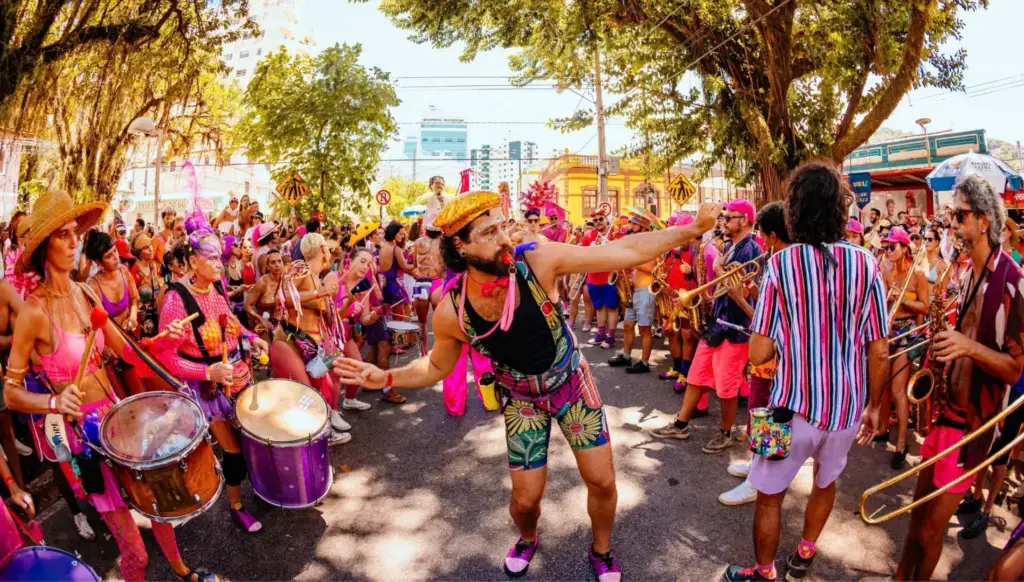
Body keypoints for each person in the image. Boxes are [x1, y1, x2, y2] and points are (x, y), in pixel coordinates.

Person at [332, 191, 721, 581]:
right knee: (525, 500)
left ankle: (601, 549)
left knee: (602, 481)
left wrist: (693, 229)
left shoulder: (537, 260)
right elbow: (436, 366)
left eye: (502, 225)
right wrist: (386, 377)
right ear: (459, 246)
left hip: (571, 382)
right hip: (522, 400)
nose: (503, 237)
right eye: (488, 231)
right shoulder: (451, 308)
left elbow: (625, 249)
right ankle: (528, 536)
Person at [5, 190, 214, 581]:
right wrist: (53, 402)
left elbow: (129, 351)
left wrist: (165, 341)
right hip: (87, 441)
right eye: (61, 236)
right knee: (135, 552)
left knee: (159, 505)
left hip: (122, 423)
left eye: (75, 233)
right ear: (43, 248)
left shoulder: (85, 293)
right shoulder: (34, 311)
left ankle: (183, 572)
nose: (73, 243)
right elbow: (10, 392)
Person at [722, 162, 889, 582]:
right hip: (846, 409)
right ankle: (805, 551)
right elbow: (879, 349)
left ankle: (764, 572)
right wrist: (875, 406)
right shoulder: (866, 263)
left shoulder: (780, 264)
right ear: (839, 208)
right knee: (826, 480)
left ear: (794, 210)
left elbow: (760, 349)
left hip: (786, 406)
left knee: (768, 496)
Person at [894, 175, 1024, 581]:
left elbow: (1017, 367)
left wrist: (967, 348)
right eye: (951, 215)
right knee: (915, 514)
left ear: (984, 221)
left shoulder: (1013, 283)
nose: (951, 224)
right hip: (943, 412)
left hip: (971, 427)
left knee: (933, 529)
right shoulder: (968, 273)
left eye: (960, 215)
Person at [156, 226, 269, 535]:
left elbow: (232, 325)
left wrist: (253, 337)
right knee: (232, 451)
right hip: (206, 390)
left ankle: (260, 487)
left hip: (236, 375)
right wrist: (207, 373)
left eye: (220, 257)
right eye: (212, 258)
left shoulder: (217, 289)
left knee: (251, 439)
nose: (220, 264)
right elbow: (166, 359)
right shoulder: (176, 300)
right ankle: (236, 506)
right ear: (193, 262)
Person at [650, 199, 761, 454]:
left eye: (729, 216)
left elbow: (749, 289)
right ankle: (681, 424)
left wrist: (720, 268)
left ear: (744, 220)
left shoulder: (751, 250)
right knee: (696, 377)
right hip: (718, 322)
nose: (724, 220)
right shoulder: (731, 246)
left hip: (735, 328)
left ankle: (726, 433)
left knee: (727, 387)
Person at [718, 201, 790, 508]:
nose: (758, 237)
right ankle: (756, 466)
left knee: (766, 415)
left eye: (761, 231)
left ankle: (758, 483)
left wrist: (740, 298)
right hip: (772, 357)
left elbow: (771, 320)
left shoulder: (783, 265)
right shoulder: (783, 261)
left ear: (772, 235)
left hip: (774, 359)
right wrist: (750, 289)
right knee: (758, 413)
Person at [269, 233, 351, 444]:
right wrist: (319, 294)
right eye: (327, 248)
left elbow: (327, 318)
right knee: (307, 393)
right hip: (289, 342)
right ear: (321, 248)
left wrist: (346, 304)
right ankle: (316, 438)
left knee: (325, 388)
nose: (330, 252)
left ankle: (319, 435)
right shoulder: (300, 268)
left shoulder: (317, 277)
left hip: (311, 347)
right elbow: (284, 298)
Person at [880, 227, 929, 469]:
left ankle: (901, 442)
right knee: (885, 385)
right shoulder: (886, 271)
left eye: (892, 247)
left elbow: (925, 306)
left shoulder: (917, 273)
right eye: (887, 246)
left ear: (904, 248)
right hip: (889, 331)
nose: (888, 251)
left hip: (907, 334)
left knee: (899, 390)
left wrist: (903, 299)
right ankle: (881, 429)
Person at [608, 224, 655, 374]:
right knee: (628, 325)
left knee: (644, 329)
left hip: (645, 291)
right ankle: (627, 356)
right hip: (634, 291)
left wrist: (631, 261)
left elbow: (650, 269)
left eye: (637, 228)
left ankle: (644, 362)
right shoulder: (640, 248)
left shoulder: (654, 247)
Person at [582, 209, 619, 349]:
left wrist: (609, 243)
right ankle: (601, 333)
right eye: (595, 220)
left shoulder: (615, 233)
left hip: (609, 276)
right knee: (599, 307)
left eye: (600, 219)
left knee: (611, 307)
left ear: (606, 219)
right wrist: (593, 246)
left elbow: (620, 251)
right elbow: (583, 254)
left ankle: (611, 336)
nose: (597, 222)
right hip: (593, 276)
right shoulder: (588, 235)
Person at [244, 248, 284, 342]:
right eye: (273, 262)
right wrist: (261, 319)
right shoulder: (262, 282)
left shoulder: (286, 280)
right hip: (262, 325)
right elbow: (247, 306)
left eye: (279, 261)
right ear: (267, 266)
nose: (277, 265)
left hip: (279, 324)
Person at [378, 221, 415, 317]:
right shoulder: (395, 249)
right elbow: (406, 268)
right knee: (402, 317)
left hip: (383, 285)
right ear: (393, 233)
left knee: (387, 318)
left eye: (403, 234)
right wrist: (416, 264)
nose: (402, 236)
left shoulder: (382, 247)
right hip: (394, 286)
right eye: (400, 234)